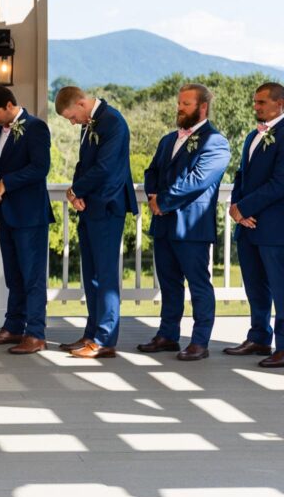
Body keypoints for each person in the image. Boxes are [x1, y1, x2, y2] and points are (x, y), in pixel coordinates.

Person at [139, 83, 230, 362]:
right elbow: (152, 171)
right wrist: (153, 195)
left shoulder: (215, 142)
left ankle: (200, 341)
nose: (179, 108)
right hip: (164, 225)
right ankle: (168, 335)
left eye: (186, 104)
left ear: (203, 107)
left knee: (198, 285)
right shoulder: (168, 139)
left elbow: (197, 181)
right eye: (179, 103)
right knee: (169, 284)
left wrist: (163, 202)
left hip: (192, 226)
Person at [54, 86, 137, 359]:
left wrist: (77, 190)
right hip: (89, 206)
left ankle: (105, 340)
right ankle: (91, 334)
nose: (72, 123)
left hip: (109, 206)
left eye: (72, 117)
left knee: (106, 276)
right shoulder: (88, 124)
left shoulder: (113, 121)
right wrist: (76, 193)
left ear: (81, 103)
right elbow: (84, 164)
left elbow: (106, 167)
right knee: (90, 275)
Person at [0, 86, 55, 355]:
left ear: (9, 105)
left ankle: (36, 333)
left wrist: (6, 183)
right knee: (13, 276)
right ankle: (13, 328)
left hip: (30, 214)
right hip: (5, 214)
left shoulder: (36, 127)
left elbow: (40, 167)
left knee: (32, 277)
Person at [225, 82, 284, 368]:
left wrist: (245, 208)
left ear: (280, 104)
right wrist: (236, 209)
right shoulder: (252, 135)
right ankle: (259, 337)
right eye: (255, 102)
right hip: (247, 226)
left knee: (281, 290)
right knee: (255, 287)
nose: (255, 107)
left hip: (274, 228)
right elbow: (241, 176)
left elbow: (279, 183)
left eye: (261, 102)